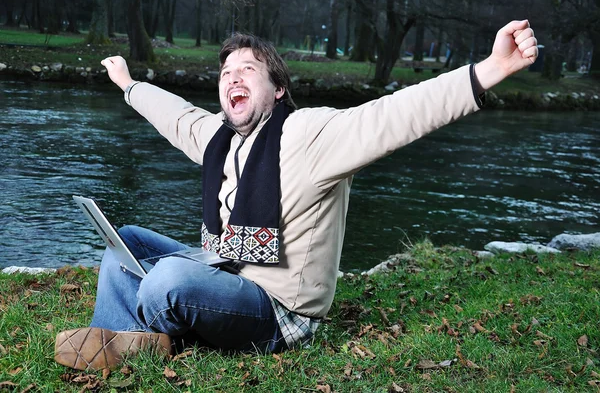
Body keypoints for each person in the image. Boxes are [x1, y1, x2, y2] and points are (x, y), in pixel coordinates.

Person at [54, 20, 538, 371]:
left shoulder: (311, 135)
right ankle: (114, 339)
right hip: (227, 271)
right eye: (226, 72)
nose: (232, 77)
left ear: (279, 88)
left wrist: (490, 69)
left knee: (169, 277)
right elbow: (178, 116)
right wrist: (130, 85)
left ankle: (152, 335)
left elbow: (396, 115)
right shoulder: (221, 138)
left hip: (279, 311)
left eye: (248, 69)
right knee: (128, 241)